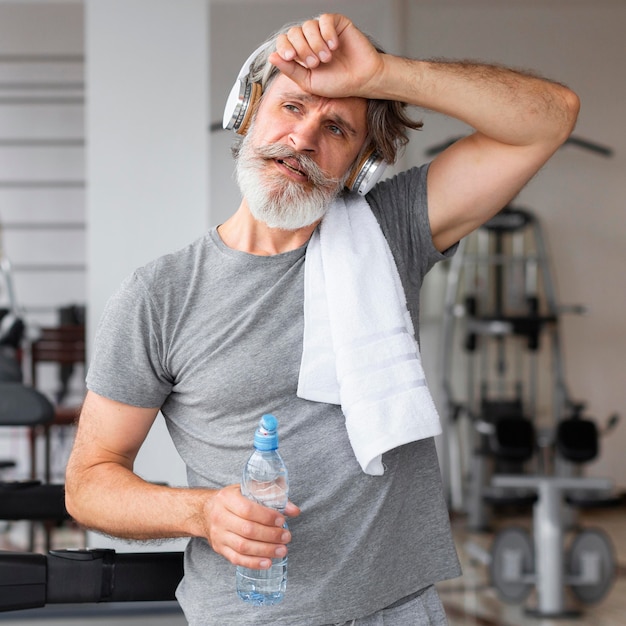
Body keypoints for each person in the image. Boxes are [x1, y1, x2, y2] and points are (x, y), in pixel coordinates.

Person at [65, 13, 579, 626]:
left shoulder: (390, 233)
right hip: (253, 615)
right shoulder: (160, 294)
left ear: (360, 166)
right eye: (291, 107)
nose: (305, 137)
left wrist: (383, 73)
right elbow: (89, 482)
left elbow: (549, 118)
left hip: (402, 610)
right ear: (249, 111)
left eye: (336, 126)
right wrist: (199, 512)